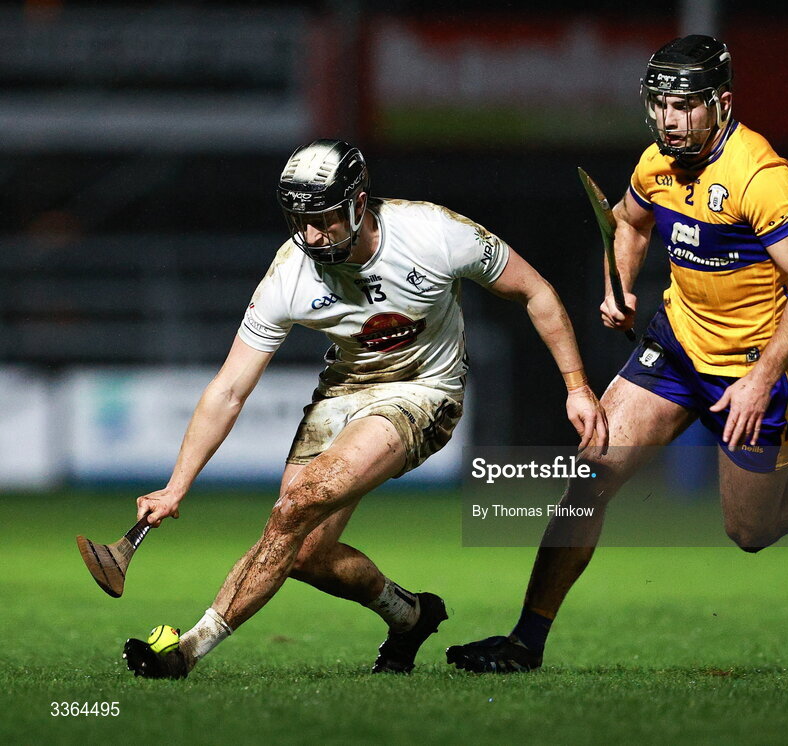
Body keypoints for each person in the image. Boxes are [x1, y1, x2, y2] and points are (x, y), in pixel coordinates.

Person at [446, 35, 788, 673]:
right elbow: (629, 222)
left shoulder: (759, 176)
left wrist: (761, 378)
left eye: (685, 106)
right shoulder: (657, 164)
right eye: (661, 104)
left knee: (750, 532)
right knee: (589, 480)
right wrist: (621, 285)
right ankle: (525, 641)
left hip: (750, 369)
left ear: (721, 104)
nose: (670, 119)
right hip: (674, 347)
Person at [121, 138, 607, 678]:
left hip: (425, 392)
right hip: (344, 391)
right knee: (304, 553)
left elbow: (535, 291)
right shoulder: (291, 272)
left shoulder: (433, 233)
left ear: (358, 202)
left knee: (292, 508)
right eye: (299, 219)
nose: (310, 234)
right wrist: (177, 484)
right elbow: (229, 388)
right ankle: (410, 616)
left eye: (323, 218)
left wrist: (577, 387)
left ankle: (187, 649)